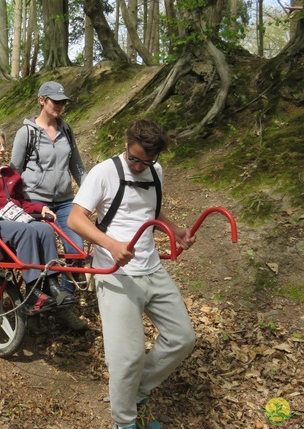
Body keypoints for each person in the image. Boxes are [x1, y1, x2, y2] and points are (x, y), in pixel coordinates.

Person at [68, 119, 197, 429]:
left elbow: (150, 210)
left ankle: (136, 393)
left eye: (147, 161)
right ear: (126, 144)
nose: (139, 166)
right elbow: (75, 219)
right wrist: (110, 244)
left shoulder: (156, 171)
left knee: (183, 338)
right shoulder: (104, 172)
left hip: (152, 268)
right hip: (115, 273)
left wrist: (175, 230)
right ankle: (124, 421)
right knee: (127, 357)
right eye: (134, 158)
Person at [0, 128, 75, 313]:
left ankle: (51, 283)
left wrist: (40, 208)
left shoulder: (10, 174)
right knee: (27, 231)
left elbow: (20, 204)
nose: (3, 149)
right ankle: (32, 291)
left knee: (44, 229)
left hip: (11, 220)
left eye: (4, 145)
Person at [10, 81, 88, 330]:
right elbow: (13, 171)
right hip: (35, 200)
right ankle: (37, 304)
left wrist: (89, 194)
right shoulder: (27, 133)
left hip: (65, 201)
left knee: (76, 251)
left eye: (63, 101)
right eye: (56, 101)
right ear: (41, 100)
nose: (60, 106)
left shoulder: (66, 130)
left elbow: (77, 166)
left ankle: (64, 304)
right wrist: (13, 204)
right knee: (43, 255)